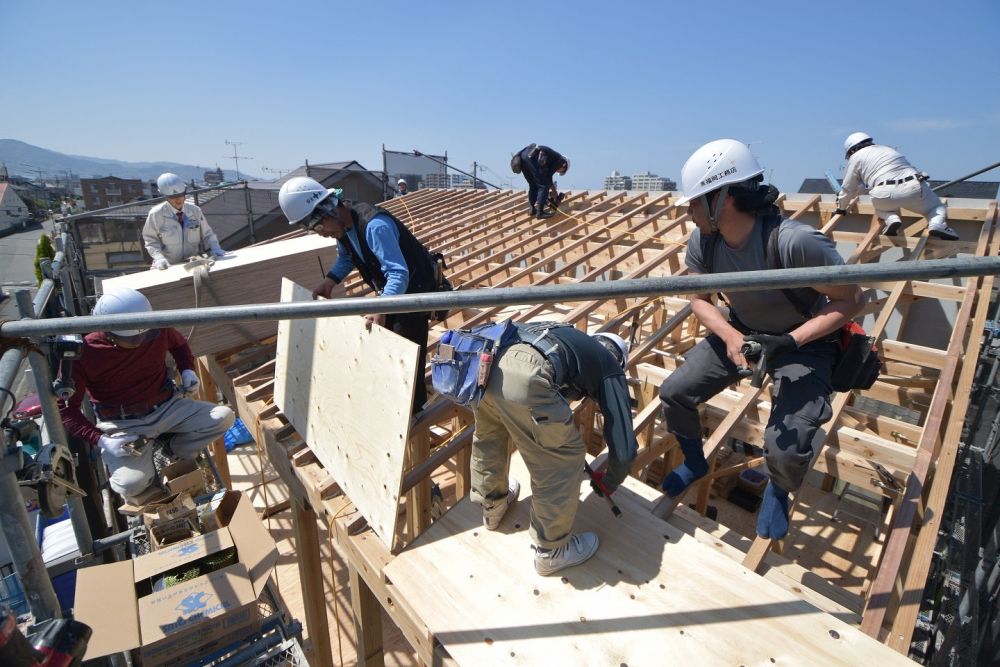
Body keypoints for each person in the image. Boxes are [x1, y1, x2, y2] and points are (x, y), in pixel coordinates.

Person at [658, 139, 864, 540]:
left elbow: (850, 300)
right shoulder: (705, 239)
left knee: (786, 446)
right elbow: (698, 300)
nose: (689, 211)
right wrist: (732, 336)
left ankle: (778, 487)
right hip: (744, 331)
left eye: (696, 201)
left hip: (805, 342)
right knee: (675, 392)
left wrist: (790, 340)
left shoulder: (794, 242)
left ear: (724, 199)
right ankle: (696, 462)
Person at [469, 323, 636, 575]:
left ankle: (493, 507)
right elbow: (624, 451)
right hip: (523, 374)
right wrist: (610, 481)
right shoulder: (610, 368)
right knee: (562, 458)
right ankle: (552, 550)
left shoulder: (566, 338)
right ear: (619, 360)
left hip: (483, 363)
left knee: (490, 434)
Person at [278, 176, 443, 414]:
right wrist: (331, 280)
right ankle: (391, 402)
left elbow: (398, 273)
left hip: (412, 294)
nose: (320, 234)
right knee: (386, 350)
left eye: (317, 227)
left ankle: (413, 414)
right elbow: (347, 257)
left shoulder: (374, 225)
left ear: (327, 212)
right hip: (390, 293)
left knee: (406, 357)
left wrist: (381, 307)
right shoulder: (342, 228)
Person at [59, 287, 234, 499]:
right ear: (107, 331)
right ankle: (154, 482)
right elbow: (66, 409)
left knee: (223, 417)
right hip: (124, 424)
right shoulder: (84, 353)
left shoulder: (156, 328)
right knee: (129, 486)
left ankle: (172, 450)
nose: (139, 342)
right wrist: (102, 440)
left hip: (169, 407)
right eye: (131, 340)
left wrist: (188, 369)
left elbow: (179, 345)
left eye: (144, 335)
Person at [836, 132, 958, 241]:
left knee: (880, 208)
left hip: (883, 193)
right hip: (914, 187)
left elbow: (848, 188)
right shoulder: (889, 149)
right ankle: (936, 224)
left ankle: (892, 219)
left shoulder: (855, 158)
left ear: (851, 150)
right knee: (936, 207)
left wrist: (841, 207)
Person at [143, 172, 226, 270]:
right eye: (173, 197)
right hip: (168, 266)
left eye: (180, 195)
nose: (178, 199)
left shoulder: (195, 211)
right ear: (165, 196)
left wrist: (215, 248)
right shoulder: (156, 214)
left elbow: (208, 234)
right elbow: (150, 240)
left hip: (192, 263)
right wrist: (159, 258)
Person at [515, 144, 569, 219]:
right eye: (561, 171)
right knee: (543, 186)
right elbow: (548, 176)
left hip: (523, 157)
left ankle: (532, 209)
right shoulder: (562, 161)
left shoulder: (552, 159)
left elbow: (546, 174)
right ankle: (540, 213)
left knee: (533, 185)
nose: (558, 171)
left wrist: (552, 189)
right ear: (564, 166)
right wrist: (553, 191)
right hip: (531, 157)